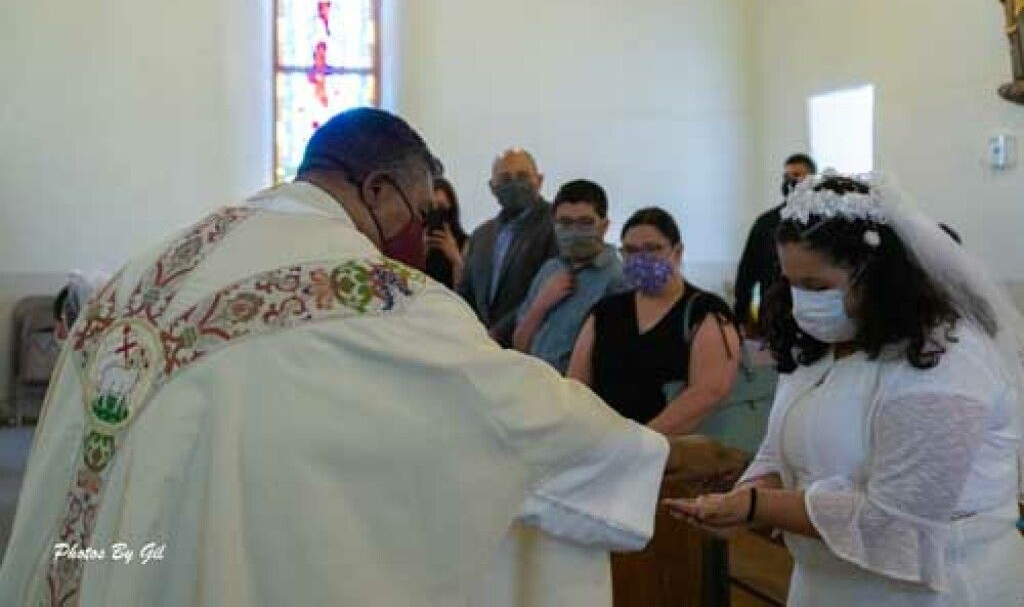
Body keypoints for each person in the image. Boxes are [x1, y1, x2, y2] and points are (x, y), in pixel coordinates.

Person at [0, 109, 677, 607]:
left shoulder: (150, 266)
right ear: (378, 190)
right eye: (419, 211)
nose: (421, 235)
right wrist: (637, 452)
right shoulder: (373, 294)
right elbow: (508, 412)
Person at [665, 173, 1024, 606]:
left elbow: (893, 519)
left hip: (934, 588)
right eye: (791, 283)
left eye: (817, 287)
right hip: (827, 583)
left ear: (879, 278)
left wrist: (757, 506)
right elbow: (784, 446)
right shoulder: (819, 346)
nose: (801, 302)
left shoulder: (947, 360)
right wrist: (745, 491)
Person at [568, 208, 741, 436]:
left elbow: (710, 390)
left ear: (677, 252)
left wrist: (641, 441)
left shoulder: (705, 311)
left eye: (652, 249)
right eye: (630, 250)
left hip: (674, 451)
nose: (641, 258)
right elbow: (575, 384)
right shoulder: (606, 311)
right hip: (604, 445)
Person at [513, 180, 625, 374]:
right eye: (565, 222)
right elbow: (519, 344)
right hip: (532, 386)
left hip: (575, 396)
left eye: (585, 222)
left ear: (604, 226)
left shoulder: (618, 278)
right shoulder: (550, 269)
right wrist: (541, 305)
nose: (574, 231)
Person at [458, 148, 557, 347]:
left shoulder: (555, 225)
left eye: (522, 176)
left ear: (539, 180)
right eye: (505, 178)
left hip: (531, 347)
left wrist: (497, 334)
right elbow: (465, 293)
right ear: (492, 187)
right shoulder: (480, 236)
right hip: (479, 347)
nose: (514, 184)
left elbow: (545, 289)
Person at [734, 153, 816, 336]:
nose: (789, 182)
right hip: (773, 318)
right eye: (786, 177)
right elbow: (747, 273)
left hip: (812, 318)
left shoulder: (824, 222)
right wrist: (743, 316)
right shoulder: (766, 223)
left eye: (796, 176)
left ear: (812, 181)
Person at [423, 177, 468, 289]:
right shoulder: (411, 241)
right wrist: (419, 254)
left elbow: (467, 293)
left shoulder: (467, 243)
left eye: (442, 208)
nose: (436, 214)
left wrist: (456, 260)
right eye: (432, 208)